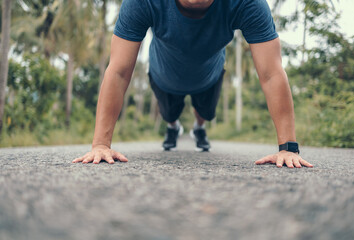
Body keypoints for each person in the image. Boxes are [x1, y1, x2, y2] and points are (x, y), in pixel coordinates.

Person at [73, 0, 314, 168]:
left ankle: (198, 129)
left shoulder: (247, 3)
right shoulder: (142, 2)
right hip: (164, 76)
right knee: (169, 113)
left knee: (205, 113)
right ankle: (174, 127)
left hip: (209, 76)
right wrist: (100, 145)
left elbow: (271, 73)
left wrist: (288, 148)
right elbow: (118, 71)